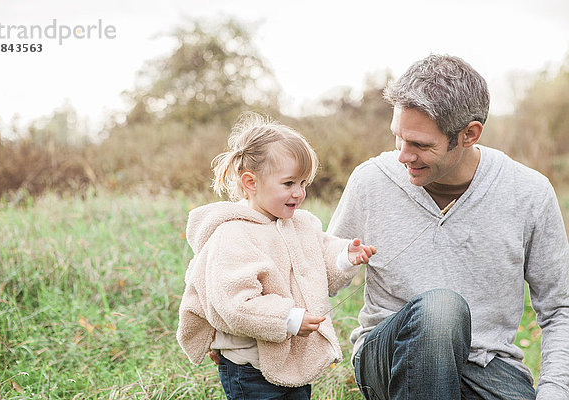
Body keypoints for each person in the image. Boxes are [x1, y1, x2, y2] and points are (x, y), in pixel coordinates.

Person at [327, 54, 569, 399]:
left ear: (469, 134)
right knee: (441, 310)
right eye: (399, 137)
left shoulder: (529, 193)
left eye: (420, 145)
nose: (402, 155)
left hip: (488, 368)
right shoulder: (371, 181)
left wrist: (555, 390)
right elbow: (319, 277)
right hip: (389, 357)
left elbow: (560, 308)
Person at [176, 112, 376, 399]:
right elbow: (234, 303)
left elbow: (316, 264)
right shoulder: (234, 234)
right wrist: (287, 318)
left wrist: (344, 256)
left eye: (304, 183)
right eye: (288, 183)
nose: (299, 193)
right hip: (249, 367)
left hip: (292, 359)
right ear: (250, 182)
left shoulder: (300, 225)